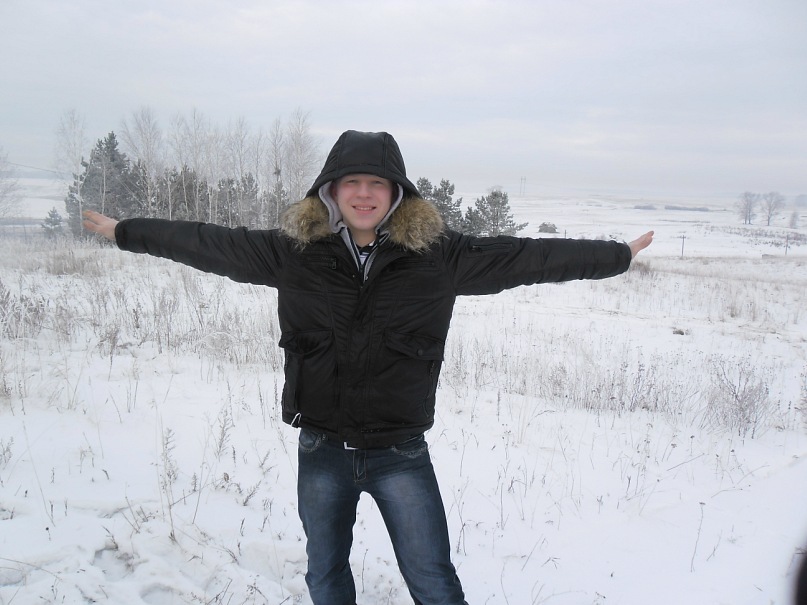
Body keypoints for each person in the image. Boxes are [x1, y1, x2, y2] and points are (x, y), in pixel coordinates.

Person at [84, 129, 653, 604]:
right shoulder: (292, 253)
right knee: (325, 575)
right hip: (321, 449)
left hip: (399, 452)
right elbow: (207, 242)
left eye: (376, 183)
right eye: (351, 182)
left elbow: (533, 257)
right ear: (330, 190)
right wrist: (126, 232)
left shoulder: (440, 257)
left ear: (397, 192)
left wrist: (616, 255)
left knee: (433, 581)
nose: (363, 193)